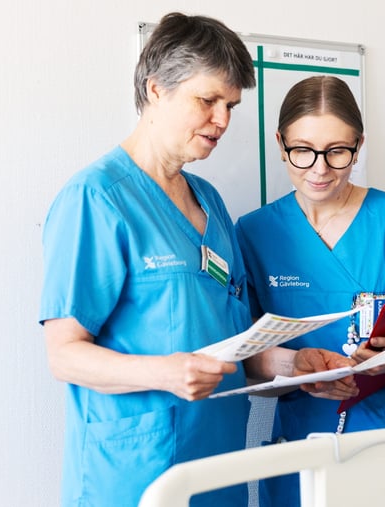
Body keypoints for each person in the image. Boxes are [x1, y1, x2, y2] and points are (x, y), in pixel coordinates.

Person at [38, 13, 256, 506]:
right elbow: (64, 355)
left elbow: (227, 340)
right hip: (136, 475)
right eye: (208, 100)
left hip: (218, 465)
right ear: (156, 89)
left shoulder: (211, 203)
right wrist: (164, 373)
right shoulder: (97, 199)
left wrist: (292, 362)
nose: (222, 121)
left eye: (231, 106)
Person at [235, 75, 385, 506]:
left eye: (338, 152)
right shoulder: (255, 234)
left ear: (359, 146)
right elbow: (245, 362)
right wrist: (297, 371)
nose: (320, 169)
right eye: (303, 151)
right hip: (304, 443)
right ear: (280, 142)